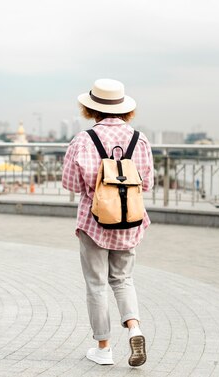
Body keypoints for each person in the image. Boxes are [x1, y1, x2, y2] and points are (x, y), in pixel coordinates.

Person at [62, 79, 154, 367]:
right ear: (124, 109)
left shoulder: (83, 139)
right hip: (129, 221)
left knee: (96, 284)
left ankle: (103, 348)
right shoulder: (140, 139)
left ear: (90, 108)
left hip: (94, 221)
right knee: (123, 279)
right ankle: (135, 328)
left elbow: (71, 183)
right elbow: (147, 183)